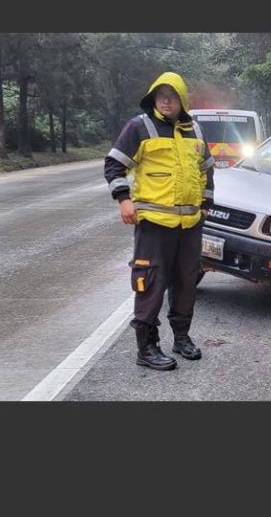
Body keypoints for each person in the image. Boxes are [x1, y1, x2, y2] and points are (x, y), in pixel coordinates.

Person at [104, 72, 215, 371]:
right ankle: (147, 347)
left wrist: (205, 206)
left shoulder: (195, 131)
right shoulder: (140, 127)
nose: (165, 101)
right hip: (153, 224)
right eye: (160, 96)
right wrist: (124, 199)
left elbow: (207, 170)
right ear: (153, 98)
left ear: (182, 100)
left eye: (172, 96)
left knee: (186, 282)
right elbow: (114, 164)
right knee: (151, 283)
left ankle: (182, 338)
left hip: (189, 225)